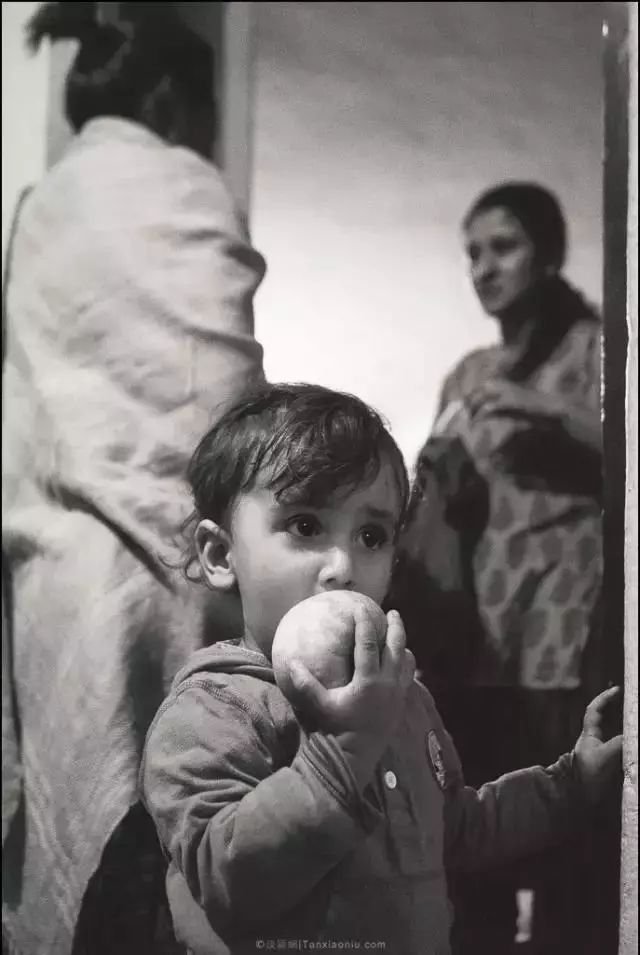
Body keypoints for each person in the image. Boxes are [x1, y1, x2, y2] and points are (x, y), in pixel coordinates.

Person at [140, 382, 621, 955]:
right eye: (305, 526)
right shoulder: (213, 708)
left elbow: (456, 830)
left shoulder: (403, 694)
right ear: (221, 556)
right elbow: (227, 880)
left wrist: (571, 784)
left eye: (371, 535)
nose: (341, 566)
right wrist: (339, 755)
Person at [2, 3, 266, 953]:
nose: (204, 132)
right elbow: (222, 400)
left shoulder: (42, 206)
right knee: (172, 859)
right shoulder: (185, 185)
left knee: (90, 846)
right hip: (174, 567)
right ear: (169, 99)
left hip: (58, 571)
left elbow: (30, 406)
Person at [392, 182, 608, 954]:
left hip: (562, 625)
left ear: (548, 254)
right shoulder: (468, 370)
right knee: (474, 845)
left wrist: (542, 408)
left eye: (503, 247)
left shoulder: (598, 344)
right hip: (475, 635)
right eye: (472, 253)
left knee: (567, 850)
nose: (483, 267)